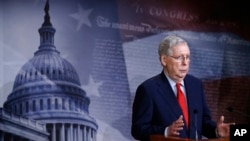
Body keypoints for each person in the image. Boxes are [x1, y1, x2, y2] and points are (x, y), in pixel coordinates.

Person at [131, 35, 235, 141]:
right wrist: (165, 131)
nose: (185, 63)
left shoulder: (195, 85)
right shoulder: (148, 89)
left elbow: (202, 123)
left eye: (187, 57)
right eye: (179, 57)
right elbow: (138, 129)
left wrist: (216, 131)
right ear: (164, 60)